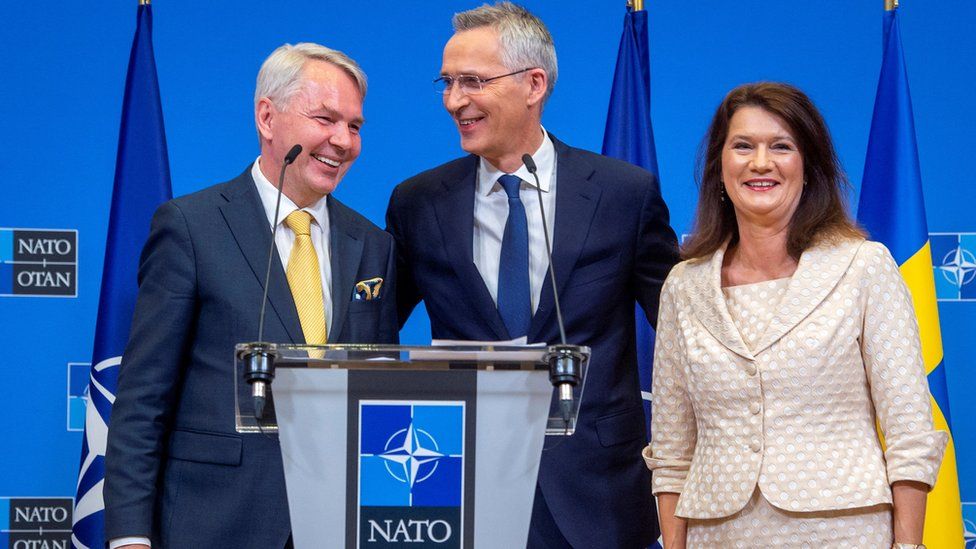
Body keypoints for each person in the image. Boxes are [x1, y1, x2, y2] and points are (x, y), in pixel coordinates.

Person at [385, 3, 679, 547]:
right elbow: (372, 331)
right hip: (461, 486)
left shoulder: (622, 194)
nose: (454, 101)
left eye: (472, 81)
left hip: (598, 490)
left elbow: (685, 330)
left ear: (533, 84)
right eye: (447, 83)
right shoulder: (417, 202)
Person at [103, 43, 397, 548]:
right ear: (267, 116)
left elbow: (379, 391)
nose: (343, 140)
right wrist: (130, 535)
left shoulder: (373, 245)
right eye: (326, 118)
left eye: (355, 126)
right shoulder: (191, 227)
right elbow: (142, 397)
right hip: (214, 522)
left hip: (337, 525)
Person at [645, 81, 947, 548]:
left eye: (781, 147)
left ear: (808, 166)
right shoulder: (684, 287)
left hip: (844, 531)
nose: (760, 163)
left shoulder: (863, 267)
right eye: (743, 146)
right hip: (718, 533)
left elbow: (909, 432)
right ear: (719, 167)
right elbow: (671, 452)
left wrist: (907, 545)